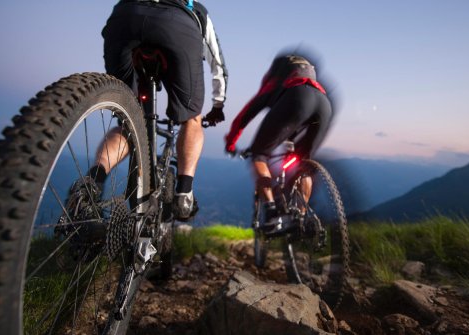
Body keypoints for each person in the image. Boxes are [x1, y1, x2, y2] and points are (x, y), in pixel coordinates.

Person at [64, 0, 228, 222]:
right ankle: (184, 192)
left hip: (125, 17)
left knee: (128, 119)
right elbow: (218, 65)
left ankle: (92, 183)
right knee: (192, 119)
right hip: (177, 26)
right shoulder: (197, 9)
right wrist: (218, 105)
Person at [224, 53, 333, 231]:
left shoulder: (273, 83)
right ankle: (300, 215)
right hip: (324, 104)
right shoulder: (308, 78)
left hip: (298, 98)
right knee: (304, 163)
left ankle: (271, 212)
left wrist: (230, 143)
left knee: (259, 155)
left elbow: (245, 115)